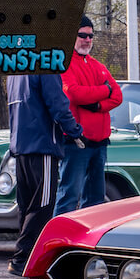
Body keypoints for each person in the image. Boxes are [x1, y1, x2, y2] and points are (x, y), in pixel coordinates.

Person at [7, 73, 84, 275]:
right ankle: (22, 258)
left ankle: (27, 258)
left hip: (21, 144)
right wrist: (74, 130)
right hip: (42, 145)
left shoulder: (15, 70)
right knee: (43, 205)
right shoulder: (47, 67)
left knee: (27, 205)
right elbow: (57, 104)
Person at [54, 16, 123, 215]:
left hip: (100, 143)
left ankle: (87, 243)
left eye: (91, 36)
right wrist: (104, 90)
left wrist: (96, 105)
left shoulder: (98, 66)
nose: (87, 40)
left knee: (95, 200)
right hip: (77, 142)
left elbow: (118, 96)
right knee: (69, 195)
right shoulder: (64, 64)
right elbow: (74, 93)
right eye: (82, 35)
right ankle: (57, 239)